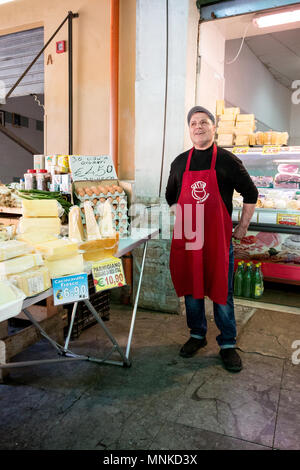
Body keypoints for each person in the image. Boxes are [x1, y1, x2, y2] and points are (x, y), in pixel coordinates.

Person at [165, 105, 258, 372]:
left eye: (204, 122)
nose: (198, 126)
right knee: (193, 289)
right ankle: (197, 335)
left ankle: (227, 343)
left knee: (221, 292)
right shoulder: (180, 162)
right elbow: (170, 196)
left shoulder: (228, 161)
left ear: (213, 127)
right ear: (189, 129)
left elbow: (251, 193)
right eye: (194, 123)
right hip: (190, 238)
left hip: (219, 240)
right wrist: (182, 217)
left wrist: (242, 227)